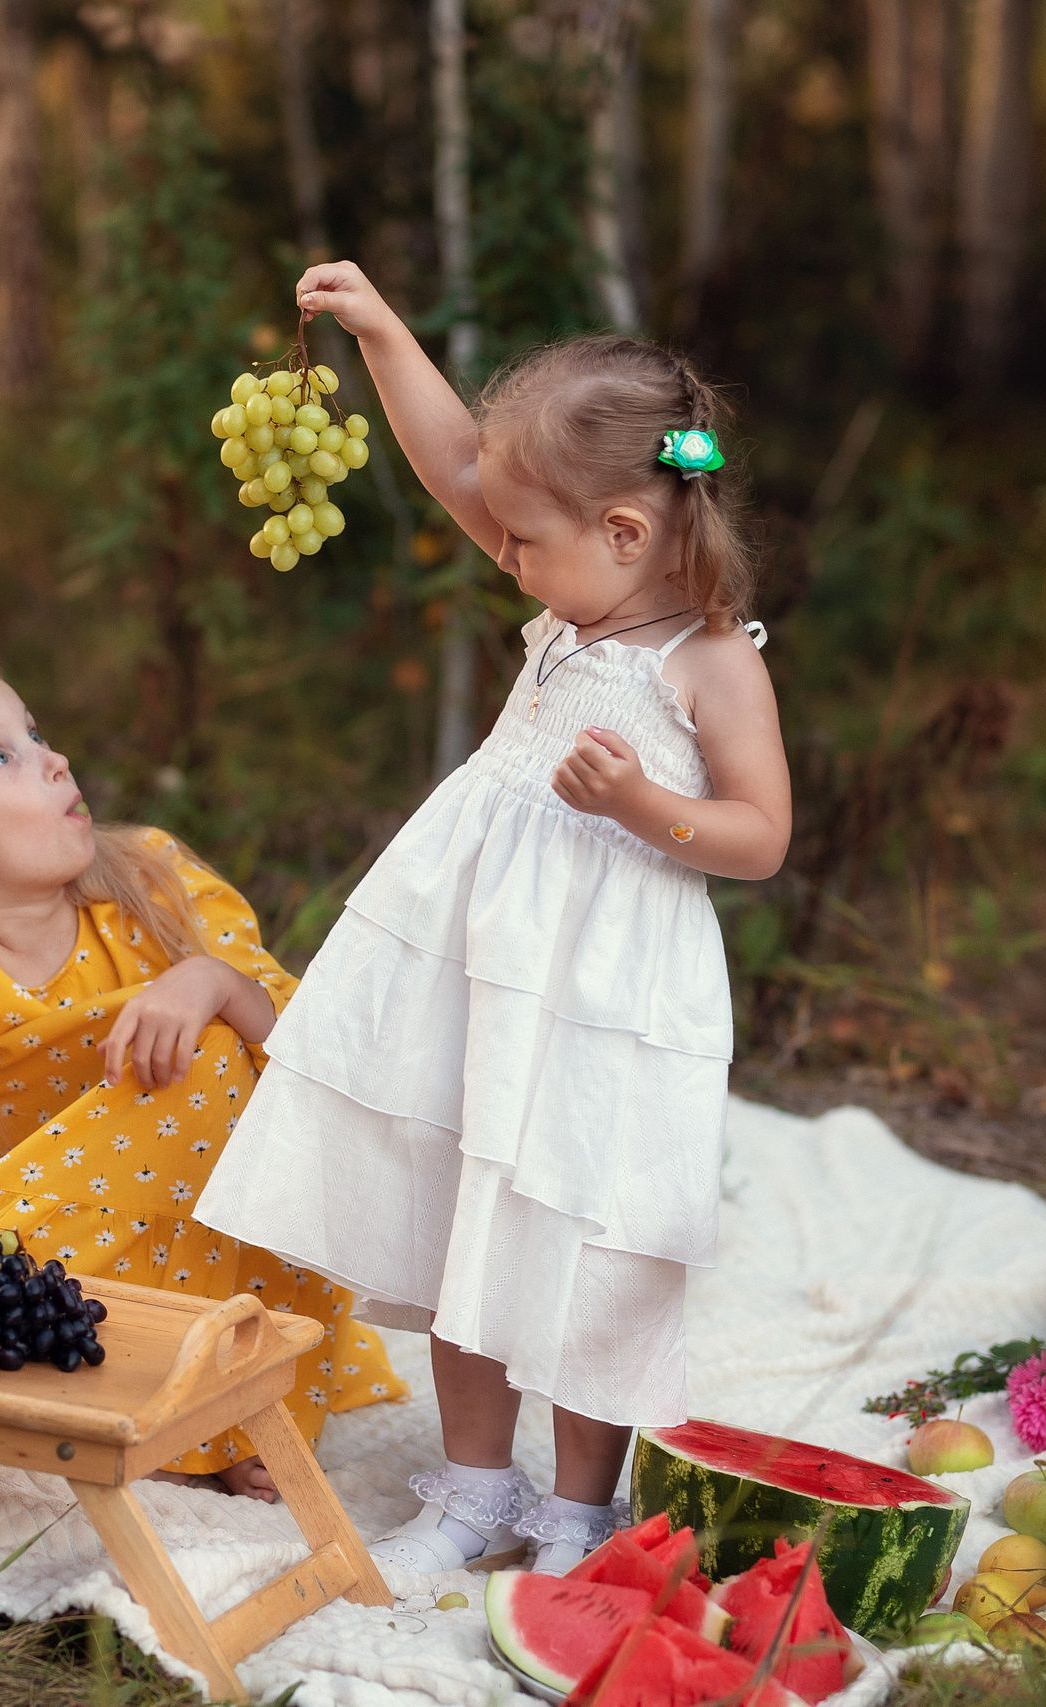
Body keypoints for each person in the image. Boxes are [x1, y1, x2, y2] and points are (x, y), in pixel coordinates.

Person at [197, 265, 794, 1573]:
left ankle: (578, 1507)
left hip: (608, 994)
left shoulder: (708, 657)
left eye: (523, 540)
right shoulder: (575, 589)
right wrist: (376, 332)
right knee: (466, 1198)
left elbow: (760, 832)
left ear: (628, 530)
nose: (499, 548)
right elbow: (464, 468)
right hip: (482, 963)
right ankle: (474, 1487)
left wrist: (646, 803)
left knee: (591, 1231)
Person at [0, 649, 406, 1500]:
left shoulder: (156, 887)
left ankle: (229, 1390)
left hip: (216, 1256)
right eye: (1, 755)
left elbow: (308, 1059)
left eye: (34, 733)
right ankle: (144, 1389)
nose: (52, 758)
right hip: (39, 1270)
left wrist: (209, 980)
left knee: (213, 1045)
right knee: (192, 1061)